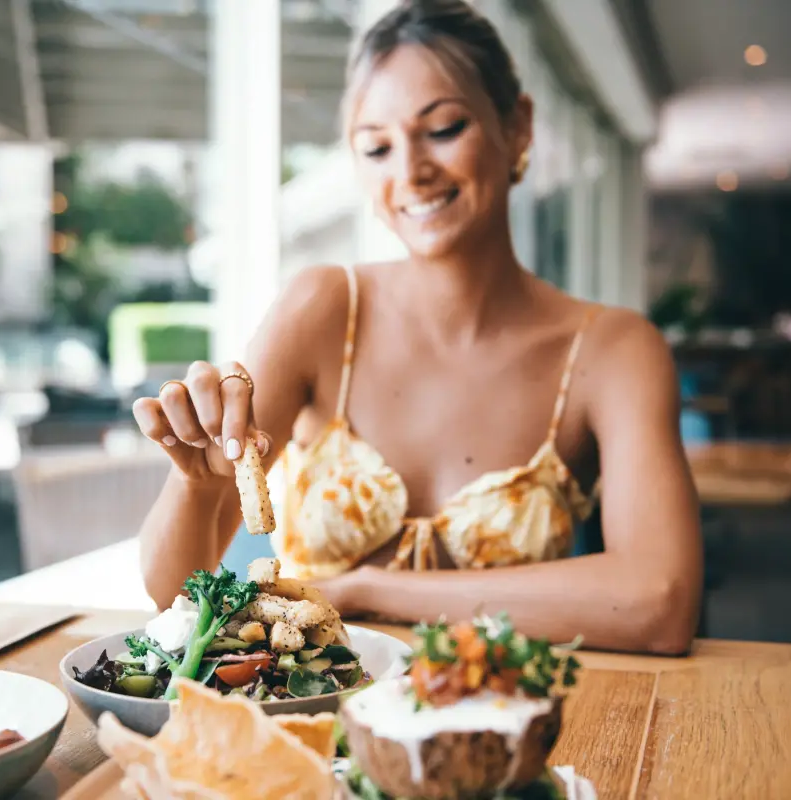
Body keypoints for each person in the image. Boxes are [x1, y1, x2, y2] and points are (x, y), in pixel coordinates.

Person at [131, 0, 703, 654]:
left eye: (443, 128)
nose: (409, 172)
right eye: (375, 147)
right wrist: (196, 487)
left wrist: (369, 591)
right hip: (319, 726)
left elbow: (659, 601)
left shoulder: (613, 351)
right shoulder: (320, 309)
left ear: (517, 127)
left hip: (509, 729)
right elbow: (172, 596)